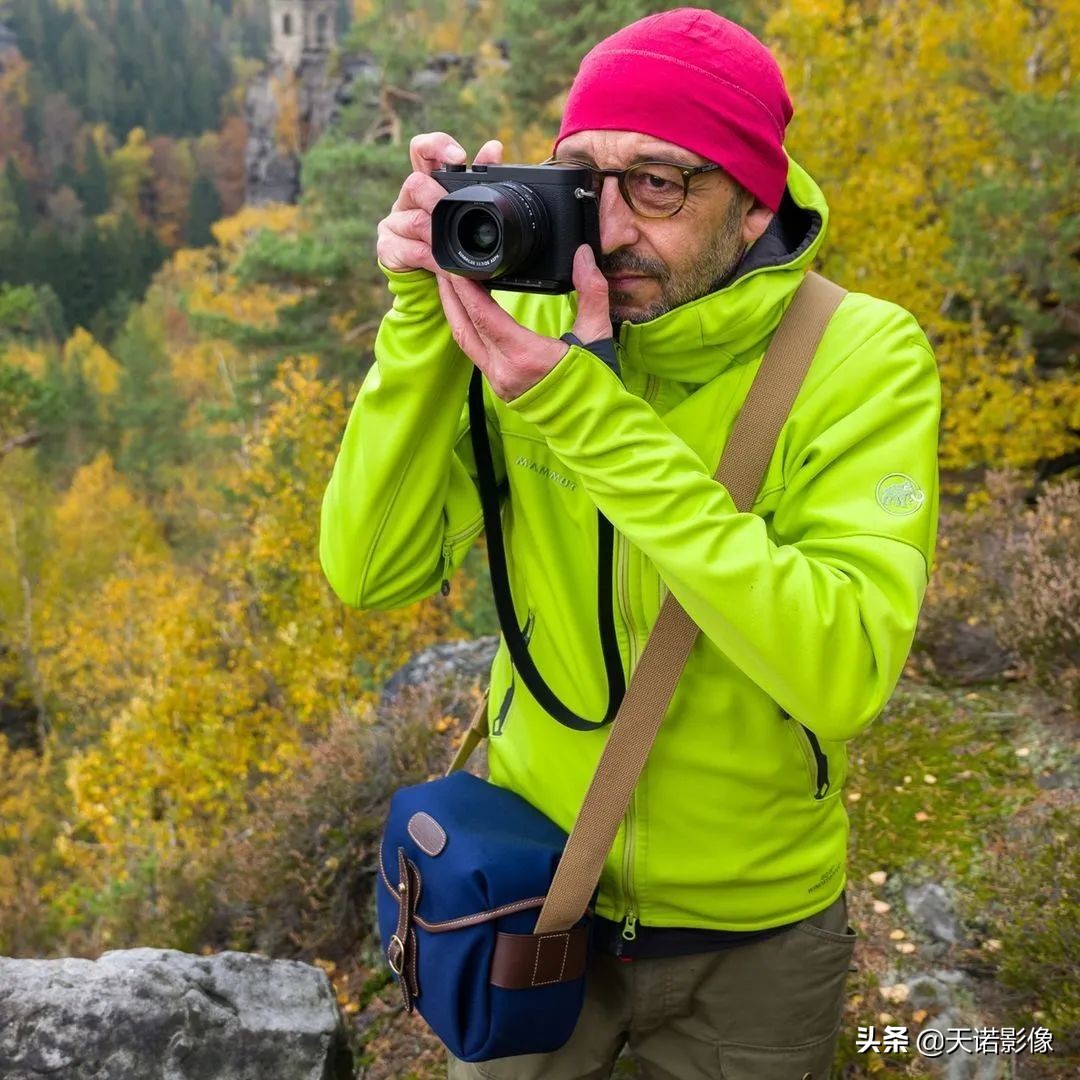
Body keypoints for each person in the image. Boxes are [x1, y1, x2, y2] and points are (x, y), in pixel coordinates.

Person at [320, 8, 940, 1079]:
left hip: (755, 936)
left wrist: (590, 419)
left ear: (753, 203)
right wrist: (423, 322)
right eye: (582, 179)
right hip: (533, 888)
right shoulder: (534, 330)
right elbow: (369, 569)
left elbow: (843, 667)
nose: (605, 230)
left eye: (657, 184)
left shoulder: (859, 356)